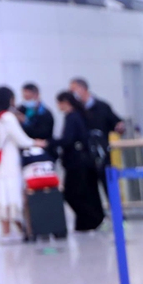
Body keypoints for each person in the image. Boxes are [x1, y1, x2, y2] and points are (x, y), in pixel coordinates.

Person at [0, 86, 46, 243]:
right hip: (8, 161)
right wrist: (37, 142)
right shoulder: (7, 117)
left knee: (1, 197)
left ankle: (7, 232)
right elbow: (22, 140)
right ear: (9, 99)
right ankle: (15, 231)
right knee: (11, 195)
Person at [53, 91, 104, 231]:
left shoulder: (72, 117)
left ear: (65, 102)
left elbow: (68, 139)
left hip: (76, 163)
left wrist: (50, 143)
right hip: (84, 162)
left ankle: (90, 219)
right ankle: (88, 221)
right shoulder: (80, 115)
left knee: (72, 194)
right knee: (87, 193)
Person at [68, 77, 124, 201]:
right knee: (89, 194)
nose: (71, 94)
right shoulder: (75, 112)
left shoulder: (102, 107)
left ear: (83, 89)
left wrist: (120, 127)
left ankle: (117, 212)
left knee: (109, 188)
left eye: (73, 90)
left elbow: (115, 123)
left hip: (102, 156)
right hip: (84, 159)